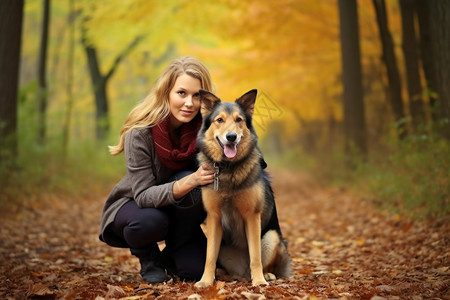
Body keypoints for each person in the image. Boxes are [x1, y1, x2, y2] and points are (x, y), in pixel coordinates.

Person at [99, 56, 216, 283]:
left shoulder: (207, 130)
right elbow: (143, 195)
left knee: (194, 274)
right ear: (166, 93)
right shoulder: (140, 133)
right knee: (150, 221)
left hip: (181, 216)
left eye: (197, 95)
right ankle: (149, 257)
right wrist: (189, 181)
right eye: (181, 93)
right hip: (137, 206)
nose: (190, 103)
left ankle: (174, 251)